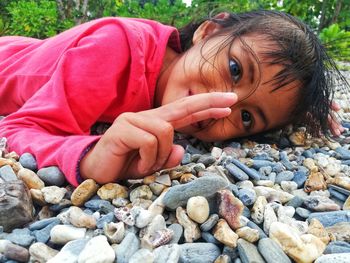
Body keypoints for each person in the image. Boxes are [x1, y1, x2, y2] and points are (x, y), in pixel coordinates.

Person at [0, 10, 347, 186]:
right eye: (235, 69)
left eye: (246, 118)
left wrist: (297, 111)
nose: (222, 103)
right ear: (208, 31)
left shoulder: (183, 79)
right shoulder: (115, 49)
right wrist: (90, 158)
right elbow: (19, 128)